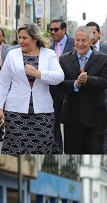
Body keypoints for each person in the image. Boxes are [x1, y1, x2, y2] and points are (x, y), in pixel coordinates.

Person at [0, 23, 64, 154]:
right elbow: (3, 83)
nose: (21, 41)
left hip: (43, 111)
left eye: (25, 38)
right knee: (16, 148)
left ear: (35, 39)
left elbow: (59, 77)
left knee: (41, 148)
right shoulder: (12, 54)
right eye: (19, 37)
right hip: (15, 111)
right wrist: (0, 106)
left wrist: (38, 73)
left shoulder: (49, 54)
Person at [58, 26, 107, 154]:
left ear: (91, 41)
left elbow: (105, 82)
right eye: (77, 40)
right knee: (73, 154)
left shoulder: (104, 59)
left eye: (83, 40)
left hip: (95, 117)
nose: (80, 44)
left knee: (95, 152)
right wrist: (76, 84)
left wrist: (87, 80)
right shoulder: (64, 59)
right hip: (72, 116)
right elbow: (60, 83)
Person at [86, 21, 107, 154]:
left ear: (99, 33)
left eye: (93, 32)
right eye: (89, 32)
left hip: (105, 94)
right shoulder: (80, 50)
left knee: (105, 127)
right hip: (87, 95)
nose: (91, 35)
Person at [49, 19, 75, 153]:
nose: (53, 32)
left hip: (71, 91)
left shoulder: (75, 43)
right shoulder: (47, 46)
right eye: (51, 29)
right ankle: (58, 152)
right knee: (53, 125)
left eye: (56, 29)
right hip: (52, 91)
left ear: (64, 30)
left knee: (71, 126)